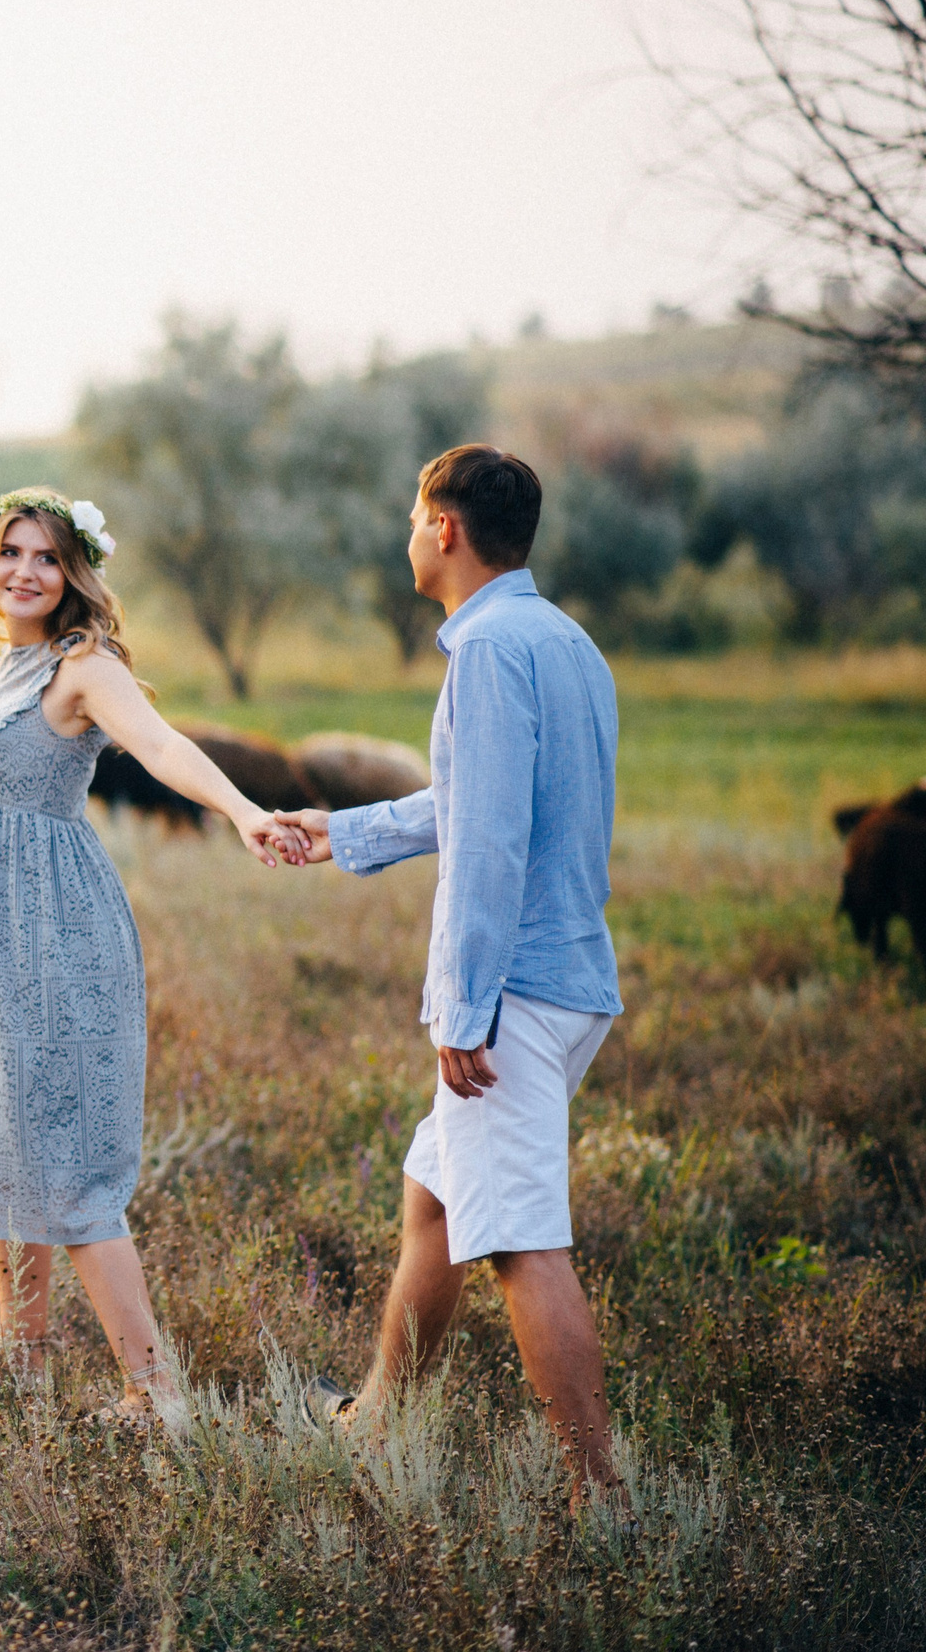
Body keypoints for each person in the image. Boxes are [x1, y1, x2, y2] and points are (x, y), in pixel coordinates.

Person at [0, 487, 307, 1424]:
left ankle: (153, 1390)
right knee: (5, 1141)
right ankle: (25, 1363)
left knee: (69, 1164)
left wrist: (243, 813)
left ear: (74, 572)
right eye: (10, 552)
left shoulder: (83, 666)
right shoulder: (16, 662)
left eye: (45, 557)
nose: (24, 571)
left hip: (50, 934)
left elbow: (160, 745)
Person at [278, 445, 625, 1499]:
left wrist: (464, 1006)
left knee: (518, 1240)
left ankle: (601, 1502)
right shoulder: (562, 642)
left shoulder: (484, 654)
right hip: (567, 982)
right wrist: (338, 832)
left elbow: (486, 848)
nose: (407, 537)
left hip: (511, 995)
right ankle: (380, 1421)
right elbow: (473, 801)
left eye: (410, 518)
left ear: (444, 529)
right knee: (434, 1198)